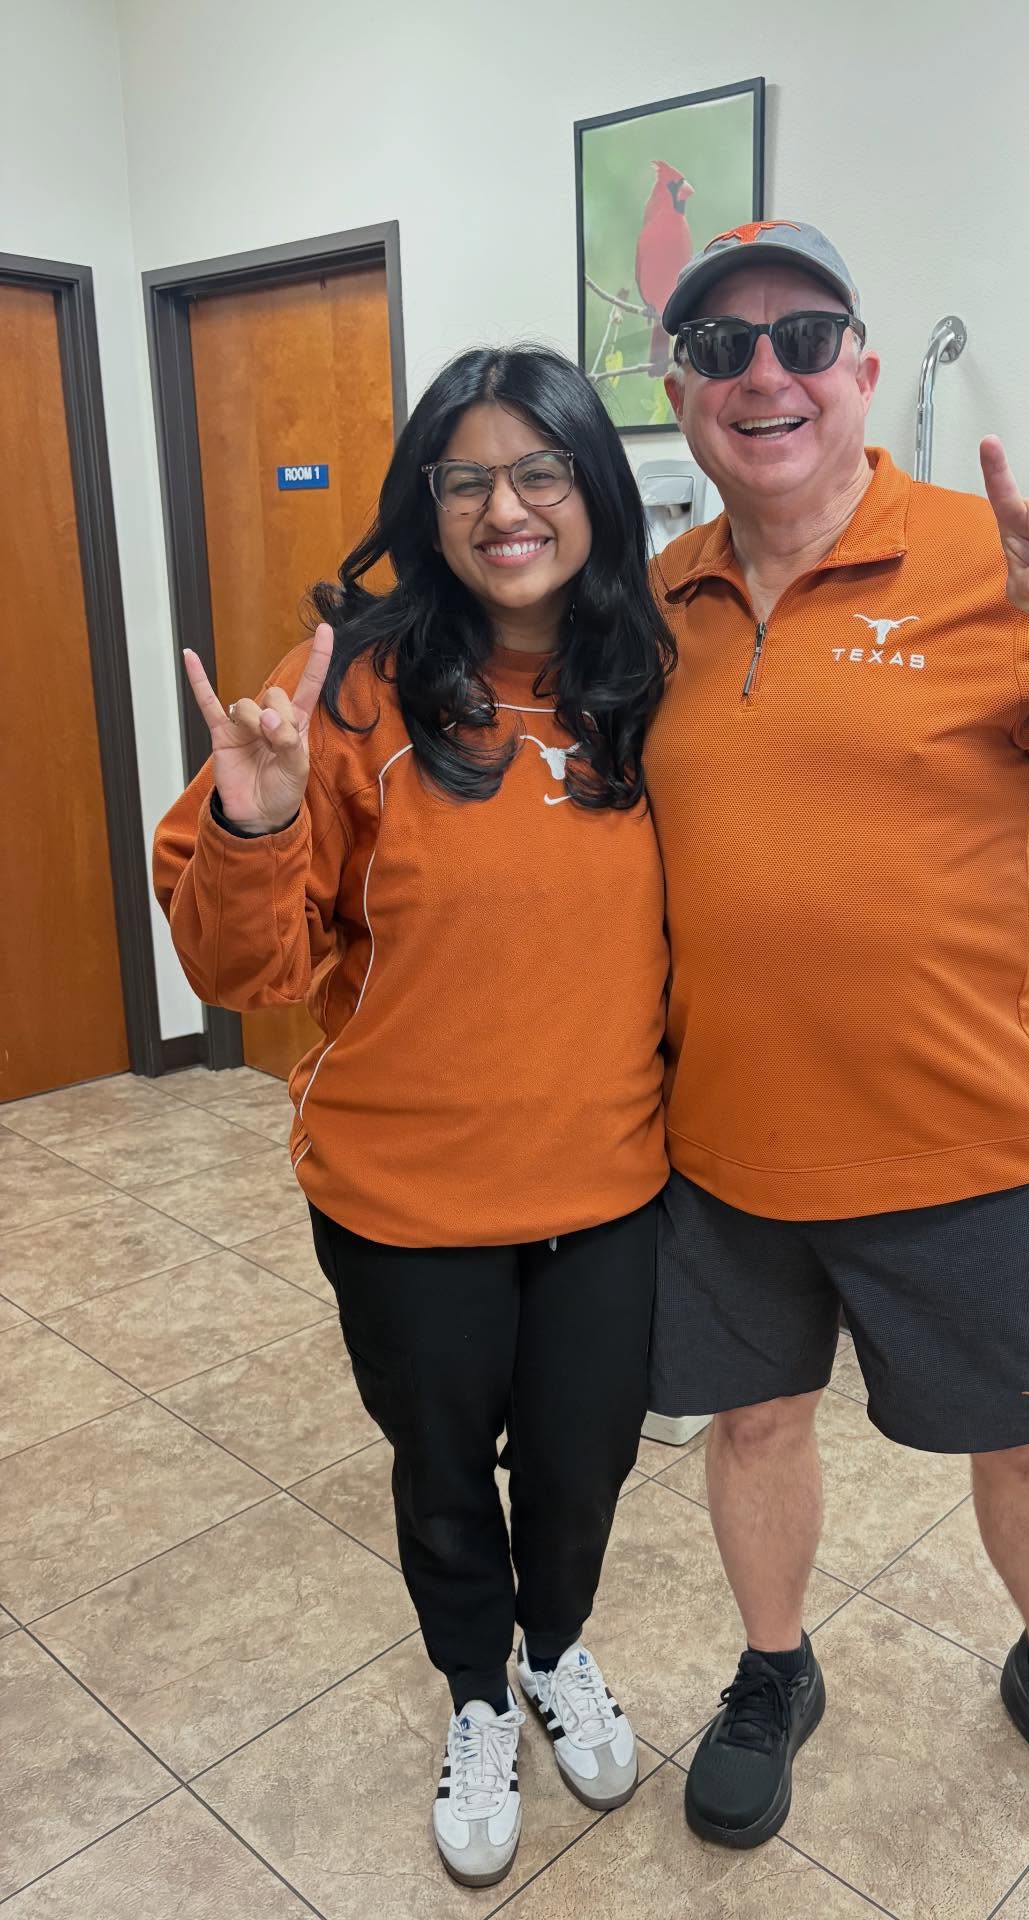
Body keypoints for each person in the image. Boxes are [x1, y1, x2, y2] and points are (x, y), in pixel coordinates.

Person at [644, 221, 1029, 1861]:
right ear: (683, 391)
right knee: (755, 1425)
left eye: (804, 337)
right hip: (727, 1142)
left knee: (1025, 1444)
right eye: (723, 346)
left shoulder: (1001, 563)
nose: (765, 373)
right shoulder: (657, 603)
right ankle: (775, 1668)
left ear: (865, 369)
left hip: (956, 1137)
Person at [153, 346, 673, 1891]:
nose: (507, 508)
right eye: (468, 480)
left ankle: (554, 1651)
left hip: (610, 1184)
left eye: (541, 472)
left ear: (595, 487)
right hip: (403, 1194)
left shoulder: (650, 678)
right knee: (444, 1471)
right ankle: (475, 1695)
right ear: (426, 505)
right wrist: (255, 819)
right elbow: (247, 971)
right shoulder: (353, 688)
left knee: (581, 1467)